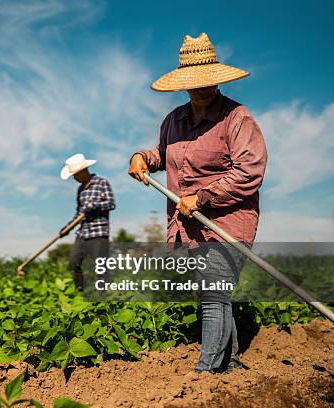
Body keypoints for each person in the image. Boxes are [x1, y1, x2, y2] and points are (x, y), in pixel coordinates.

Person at [128, 33, 267, 373]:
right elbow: (164, 155)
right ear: (185, 84)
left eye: (209, 80)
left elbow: (250, 169)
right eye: (196, 82)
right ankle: (230, 364)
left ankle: (206, 373)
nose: (203, 87)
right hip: (188, 227)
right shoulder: (173, 120)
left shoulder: (237, 117)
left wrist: (203, 197)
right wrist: (141, 158)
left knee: (213, 293)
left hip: (228, 222)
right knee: (214, 294)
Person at [60, 153, 116, 290]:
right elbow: (79, 213)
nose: (74, 178)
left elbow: (111, 204)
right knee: (74, 263)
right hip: (83, 233)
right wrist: (66, 228)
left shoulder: (102, 182)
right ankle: (82, 292)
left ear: (83, 171)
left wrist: (94, 206)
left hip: (98, 232)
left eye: (75, 174)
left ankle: (105, 298)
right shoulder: (80, 190)